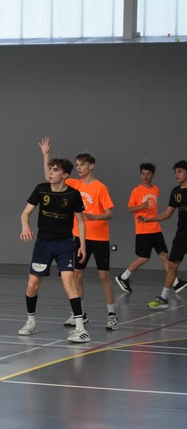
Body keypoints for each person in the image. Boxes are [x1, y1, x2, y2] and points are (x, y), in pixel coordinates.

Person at [41, 139, 118, 331]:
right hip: (79, 237)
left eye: (81, 165)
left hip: (99, 238)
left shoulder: (100, 187)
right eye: (76, 165)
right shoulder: (74, 184)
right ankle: (80, 314)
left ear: (91, 166)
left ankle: (111, 314)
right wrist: (46, 155)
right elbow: (50, 177)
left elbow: (110, 213)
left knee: (103, 276)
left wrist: (95, 216)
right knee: (77, 274)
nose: (78, 168)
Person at [18, 148, 91, 343]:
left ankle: (81, 329)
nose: (50, 172)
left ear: (65, 175)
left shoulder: (74, 194)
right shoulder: (41, 189)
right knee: (32, 284)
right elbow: (25, 213)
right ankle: (30, 321)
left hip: (64, 244)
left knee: (69, 282)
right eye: (49, 169)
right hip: (43, 244)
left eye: (55, 170)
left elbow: (81, 221)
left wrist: (82, 245)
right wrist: (25, 226)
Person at [116, 163, 186, 294]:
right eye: (143, 174)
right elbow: (129, 209)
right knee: (144, 257)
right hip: (143, 229)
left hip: (156, 228)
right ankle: (123, 277)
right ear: (140, 175)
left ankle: (175, 283)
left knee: (164, 255)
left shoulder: (156, 190)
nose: (145, 176)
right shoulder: (136, 191)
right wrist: (141, 206)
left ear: (153, 175)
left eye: (148, 174)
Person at [139, 160, 187, 309]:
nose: (176, 174)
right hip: (182, 235)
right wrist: (149, 219)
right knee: (172, 266)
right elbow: (167, 213)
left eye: (179, 171)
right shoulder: (175, 192)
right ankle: (164, 298)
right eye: (175, 172)